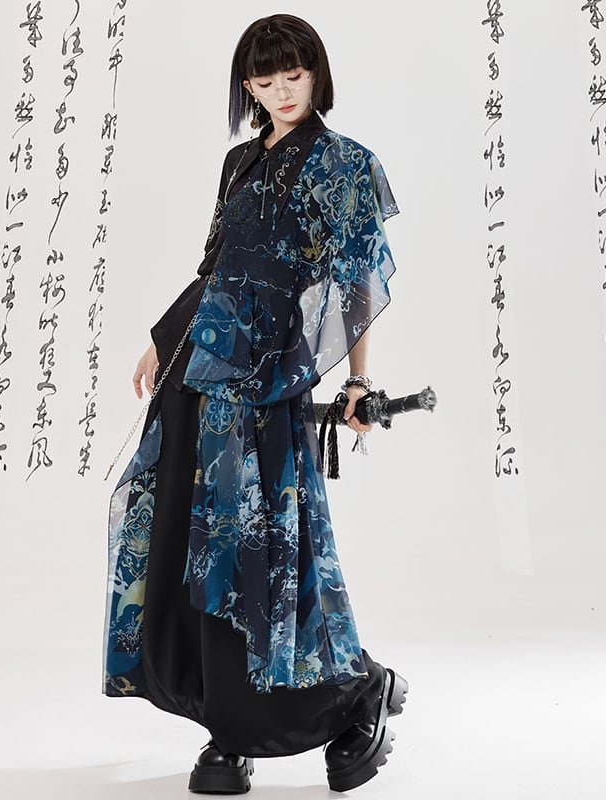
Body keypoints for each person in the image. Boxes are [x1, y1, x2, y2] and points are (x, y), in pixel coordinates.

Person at [102, 13, 408, 794]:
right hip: (198, 372)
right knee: (192, 545)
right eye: (265, 80)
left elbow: (355, 284)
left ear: (317, 72)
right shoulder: (239, 162)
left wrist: (356, 383)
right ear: (248, 86)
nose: (281, 91)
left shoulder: (345, 164)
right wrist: (163, 340)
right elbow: (215, 267)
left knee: (263, 550)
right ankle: (226, 723)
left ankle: (356, 690)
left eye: (293, 74)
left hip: (269, 381)